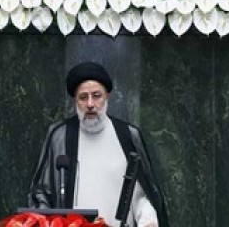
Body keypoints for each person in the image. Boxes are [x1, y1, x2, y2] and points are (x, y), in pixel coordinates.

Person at [28, 62, 169, 227]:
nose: (90, 104)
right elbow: (41, 194)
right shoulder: (59, 135)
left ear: (107, 96)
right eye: (83, 97)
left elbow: (143, 196)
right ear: (75, 99)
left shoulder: (128, 135)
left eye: (96, 96)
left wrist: (148, 220)